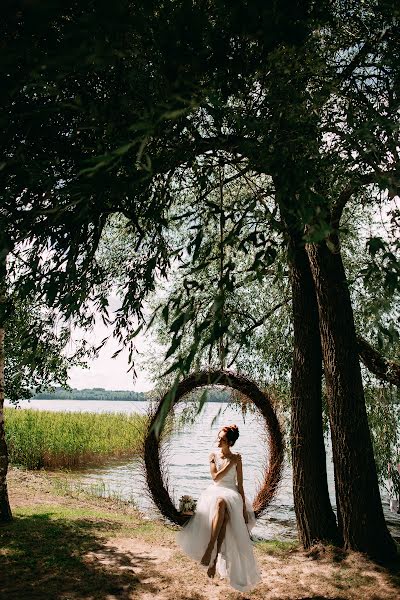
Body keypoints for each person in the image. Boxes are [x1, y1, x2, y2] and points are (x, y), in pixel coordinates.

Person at [176, 424, 261, 592]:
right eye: (218, 437)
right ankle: (213, 561)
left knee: (223, 502)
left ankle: (210, 550)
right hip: (215, 491)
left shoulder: (237, 458)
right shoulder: (213, 455)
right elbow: (215, 478)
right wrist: (230, 464)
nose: (218, 440)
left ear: (229, 442)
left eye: (221, 439)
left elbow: (241, 485)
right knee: (223, 512)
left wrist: (244, 509)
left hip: (232, 493)